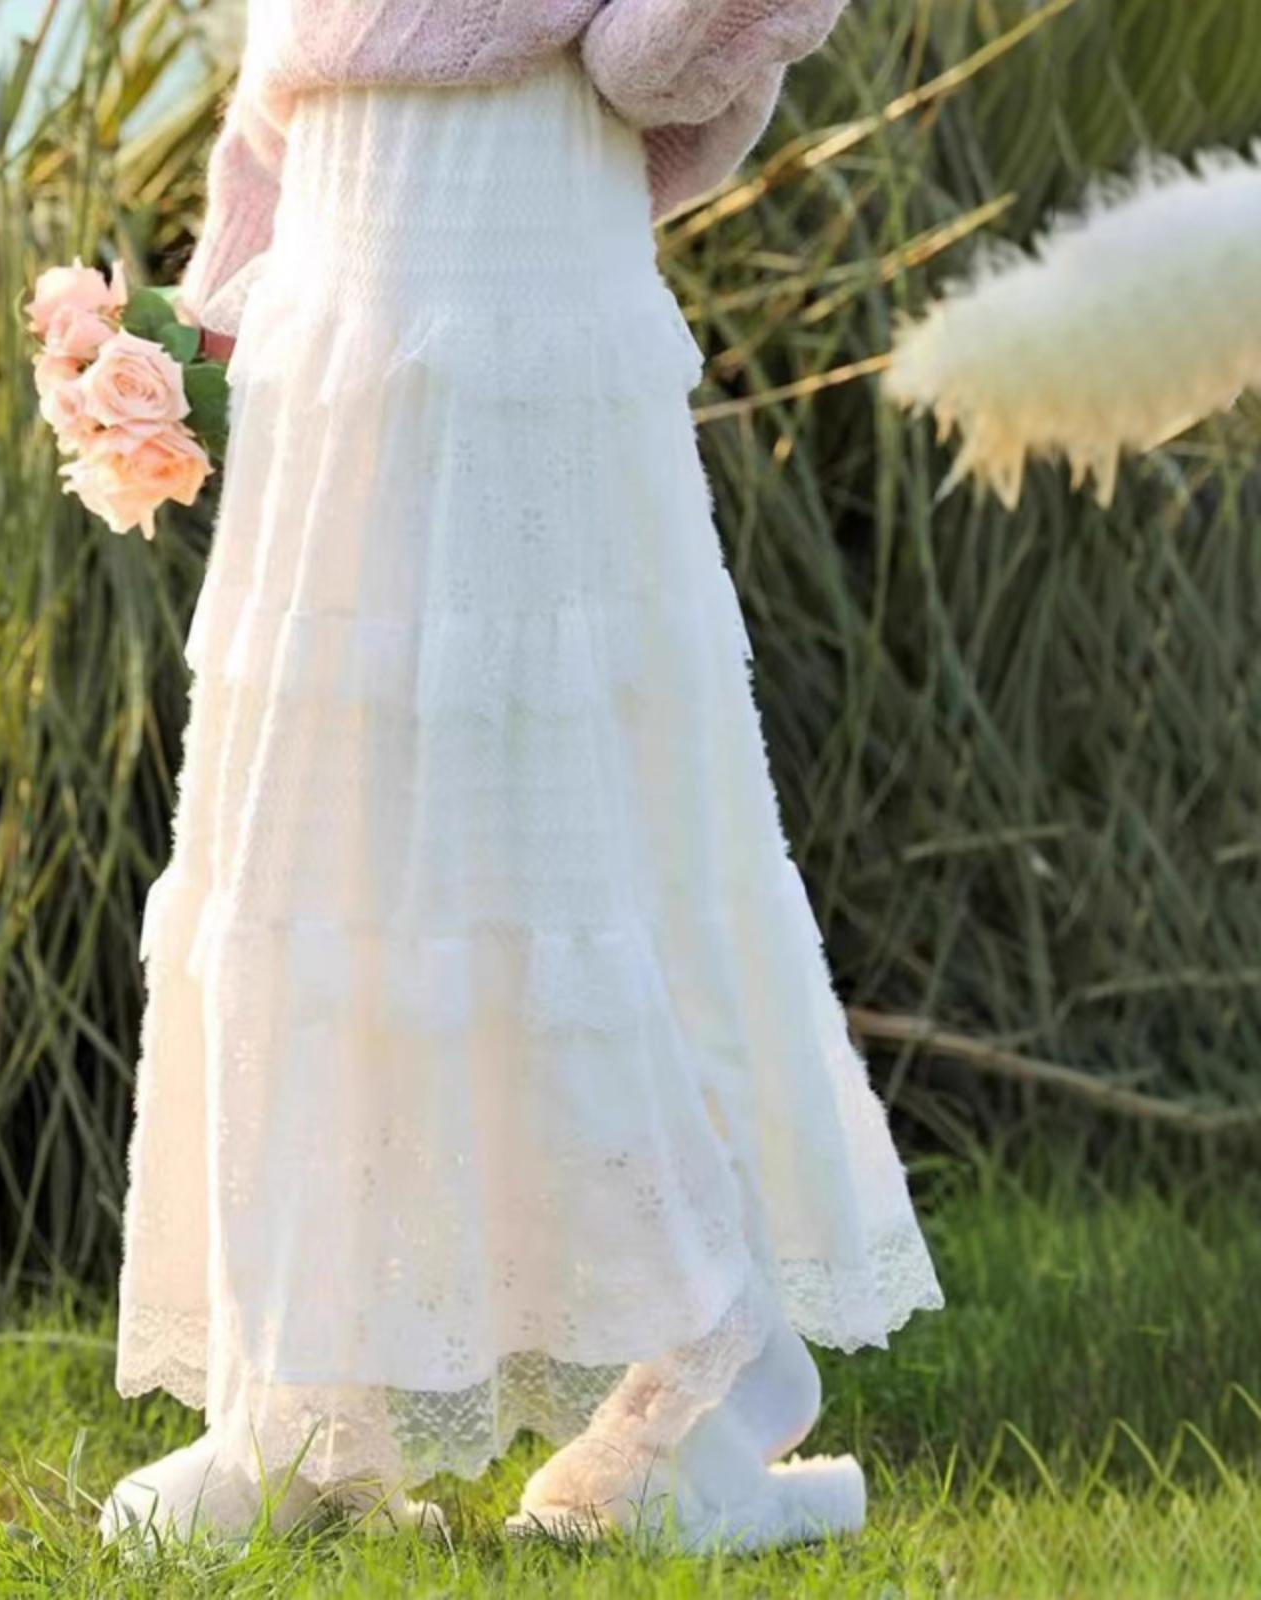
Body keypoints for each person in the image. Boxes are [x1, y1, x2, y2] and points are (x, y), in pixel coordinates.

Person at [100, 0, 943, 1552]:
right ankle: (306, 1408)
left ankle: (699, 1390)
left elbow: (648, 64)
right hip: (336, 325)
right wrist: (190, 335)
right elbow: (281, 98)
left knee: (563, 839)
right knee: (328, 846)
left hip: (520, 277)